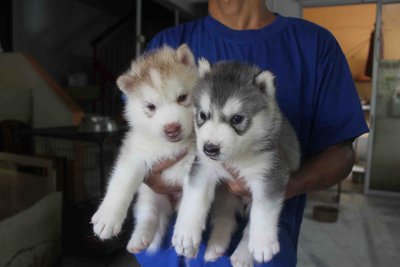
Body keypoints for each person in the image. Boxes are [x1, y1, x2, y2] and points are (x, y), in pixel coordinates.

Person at [133, 0, 369, 266]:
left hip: (261, 256)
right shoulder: (171, 45)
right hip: (164, 255)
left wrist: (277, 185)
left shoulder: (315, 45)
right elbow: (139, 140)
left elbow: (341, 154)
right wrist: (150, 174)